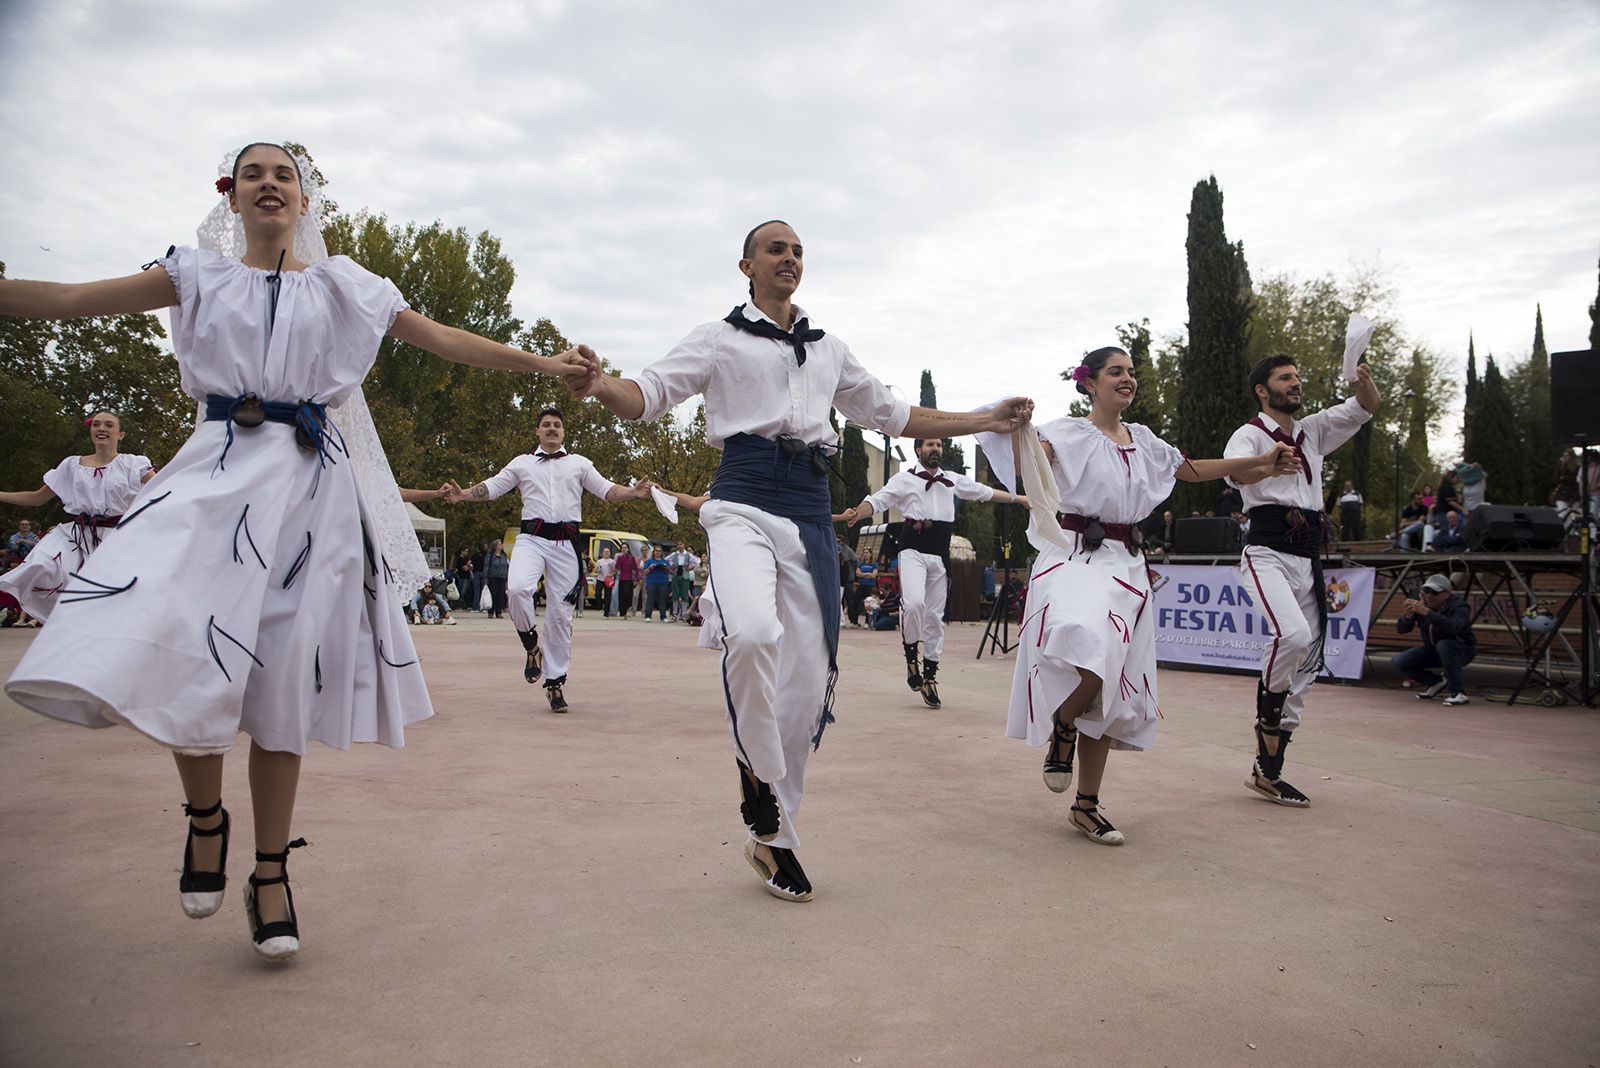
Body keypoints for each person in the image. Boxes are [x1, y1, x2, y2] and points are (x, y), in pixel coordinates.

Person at [0, 142, 587, 961]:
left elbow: (445, 338)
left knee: (283, 676)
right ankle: (207, 821)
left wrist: (540, 360)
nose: (270, 184)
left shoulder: (349, 287)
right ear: (231, 198)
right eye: (253, 174)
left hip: (311, 491)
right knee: (191, 650)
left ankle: (269, 872)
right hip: (213, 476)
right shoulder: (194, 275)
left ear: (305, 202)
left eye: (285, 175)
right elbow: (69, 298)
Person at [570, 218, 1032, 902]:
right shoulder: (718, 338)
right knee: (752, 633)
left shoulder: (829, 348)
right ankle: (756, 776)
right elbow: (647, 395)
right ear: (746, 265)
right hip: (743, 501)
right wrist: (599, 384)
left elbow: (895, 415)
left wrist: (985, 419)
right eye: (775, 249)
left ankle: (775, 833)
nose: (789, 259)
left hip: (811, 511)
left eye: (797, 251)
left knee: (811, 681)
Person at [984, 346, 1296, 844]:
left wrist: (1259, 460)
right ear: (1089, 382)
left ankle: (1086, 804)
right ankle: (1064, 721)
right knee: (1089, 643)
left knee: (1114, 683)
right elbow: (1029, 465)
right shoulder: (1066, 433)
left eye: (1131, 372)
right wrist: (1015, 426)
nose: (1127, 379)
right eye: (1116, 372)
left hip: (1127, 566)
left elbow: (1190, 470)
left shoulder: (1146, 442)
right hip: (1075, 557)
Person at [1224, 354, 1380, 808]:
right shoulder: (1250, 433)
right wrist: (1269, 466)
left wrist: (1363, 380)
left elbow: (1366, 406)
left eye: (1297, 377)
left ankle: (1267, 771)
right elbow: (1236, 473)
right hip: (1267, 552)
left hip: (1307, 556)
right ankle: (1266, 723)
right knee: (1290, 634)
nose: (1295, 384)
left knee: (1308, 663)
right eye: (1285, 378)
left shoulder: (1312, 429)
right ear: (1262, 389)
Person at [444, 406, 650, 712]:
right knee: (516, 590)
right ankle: (531, 645)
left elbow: (607, 490)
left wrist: (633, 492)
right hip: (531, 539)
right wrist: (462, 495)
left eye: (556, 425)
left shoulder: (580, 464)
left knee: (559, 616)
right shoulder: (522, 463)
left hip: (566, 544)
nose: (551, 429)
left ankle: (554, 684)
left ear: (564, 432)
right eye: (546, 425)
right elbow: (493, 487)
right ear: (537, 432)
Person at [844, 437, 1027, 707]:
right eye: (929, 445)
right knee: (915, 603)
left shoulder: (952, 479)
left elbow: (983, 492)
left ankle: (929, 677)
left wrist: (1018, 498)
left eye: (939, 445)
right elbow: (879, 500)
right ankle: (910, 659)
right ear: (918, 450)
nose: (935, 449)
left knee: (934, 616)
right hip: (912, 550)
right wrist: (859, 513)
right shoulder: (904, 479)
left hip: (940, 554)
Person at [0, 410, 155, 622]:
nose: (101, 428)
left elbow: (163, 488)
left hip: (117, 538)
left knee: (114, 600)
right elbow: (37, 498)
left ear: (121, 434)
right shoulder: (71, 465)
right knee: (41, 564)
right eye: (96, 424)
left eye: (109, 425)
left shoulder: (133, 463)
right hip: (75, 538)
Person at [1391, 573, 1475, 706]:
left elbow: (1454, 627)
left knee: (1444, 644)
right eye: (1426, 591)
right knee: (1398, 662)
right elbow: (1402, 630)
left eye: (1435, 593)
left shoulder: (1459, 606)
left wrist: (1427, 613)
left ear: (1446, 594)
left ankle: (1458, 693)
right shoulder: (1421, 604)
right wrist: (1406, 617)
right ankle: (1436, 681)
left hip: (1461, 650)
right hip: (1434, 649)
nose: (1429, 596)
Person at [848, 548, 880, 628]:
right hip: (861, 585)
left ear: (870, 554)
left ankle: (867, 622)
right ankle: (854, 621)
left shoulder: (874, 564)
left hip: (870, 586)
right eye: (864, 553)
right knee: (855, 601)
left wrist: (863, 574)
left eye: (867, 553)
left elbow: (873, 575)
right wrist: (867, 574)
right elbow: (857, 574)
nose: (865, 554)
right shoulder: (860, 564)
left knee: (869, 603)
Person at [642, 544, 673, 621]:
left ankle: (663, 617)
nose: (658, 552)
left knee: (662, 600)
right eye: (656, 551)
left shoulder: (665, 561)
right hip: (652, 582)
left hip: (663, 582)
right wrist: (650, 567)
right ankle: (648, 616)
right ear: (653, 552)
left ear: (661, 552)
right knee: (650, 599)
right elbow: (644, 572)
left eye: (659, 551)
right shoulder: (649, 561)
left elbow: (671, 572)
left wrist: (666, 567)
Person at [484, 539, 511, 619]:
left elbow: (507, 566)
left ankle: (499, 611)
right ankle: (491, 611)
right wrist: (485, 578)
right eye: (499, 544)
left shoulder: (504, 556)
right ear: (495, 546)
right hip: (493, 578)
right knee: (493, 594)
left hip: (502, 578)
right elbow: (486, 567)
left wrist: (507, 577)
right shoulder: (490, 556)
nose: (501, 545)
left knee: (500, 595)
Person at [613, 543, 640, 619]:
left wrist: (637, 579)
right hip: (622, 579)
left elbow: (636, 569)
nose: (624, 549)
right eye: (622, 548)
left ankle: (628, 608)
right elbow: (616, 567)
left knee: (628, 595)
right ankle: (622, 613)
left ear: (628, 549)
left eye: (625, 548)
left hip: (629, 579)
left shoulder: (631, 558)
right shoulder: (620, 558)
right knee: (622, 596)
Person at [594, 545, 617, 616]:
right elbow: (595, 570)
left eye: (607, 552)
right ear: (602, 553)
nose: (606, 553)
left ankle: (606, 613)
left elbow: (615, 571)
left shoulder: (612, 561)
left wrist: (611, 575)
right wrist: (597, 570)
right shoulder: (599, 561)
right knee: (597, 593)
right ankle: (600, 606)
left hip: (608, 580)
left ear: (609, 553)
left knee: (608, 596)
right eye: (604, 551)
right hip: (600, 579)